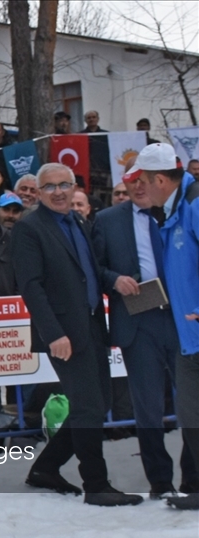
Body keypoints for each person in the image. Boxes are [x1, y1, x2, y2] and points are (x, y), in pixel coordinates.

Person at [12, 162, 144, 506]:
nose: (58, 192)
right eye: (50, 187)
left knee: (96, 405)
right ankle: (96, 485)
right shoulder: (29, 229)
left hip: (91, 327)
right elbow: (31, 287)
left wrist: (113, 279)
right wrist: (53, 333)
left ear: (74, 188)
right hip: (63, 335)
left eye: (64, 185)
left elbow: (90, 271)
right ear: (39, 194)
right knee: (88, 407)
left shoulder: (79, 221)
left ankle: (45, 468)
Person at [93, 161, 196, 499]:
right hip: (138, 322)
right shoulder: (108, 220)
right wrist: (114, 280)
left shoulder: (176, 211)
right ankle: (160, 481)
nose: (139, 187)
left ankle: (193, 479)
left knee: (191, 403)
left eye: (144, 181)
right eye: (132, 182)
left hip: (181, 319)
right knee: (148, 406)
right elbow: (96, 267)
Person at [122, 143, 199, 502]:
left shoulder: (194, 205)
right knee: (190, 411)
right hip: (188, 333)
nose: (138, 189)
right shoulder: (170, 212)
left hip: (192, 329)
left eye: (142, 181)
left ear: (160, 179)